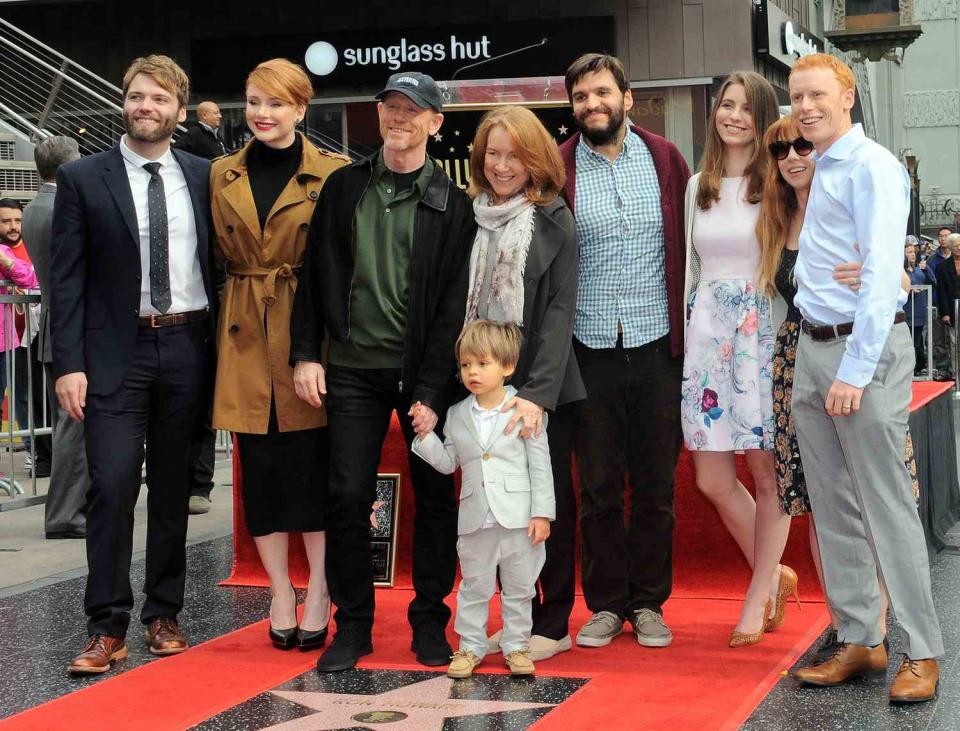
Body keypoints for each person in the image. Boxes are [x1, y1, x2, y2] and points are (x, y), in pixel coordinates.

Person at [290, 71, 475, 672]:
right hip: (350, 369)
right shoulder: (344, 188)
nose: (398, 118)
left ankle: (429, 621)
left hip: (423, 375)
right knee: (345, 494)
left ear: (435, 123)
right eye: (390, 108)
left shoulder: (454, 204)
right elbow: (313, 275)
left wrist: (430, 390)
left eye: (411, 110)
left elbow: (453, 303)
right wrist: (307, 352)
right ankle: (355, 624)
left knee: (435, 496)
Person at [52, 55, 218, 674]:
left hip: (188, 347)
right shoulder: (82, 179)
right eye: (136, 97)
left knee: (175, 488)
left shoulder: (206, 176)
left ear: (179, 108)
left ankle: (164, 613)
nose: (145, 107)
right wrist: (69, 363)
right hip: (113, 353)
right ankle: (106, 626)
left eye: (157, 98)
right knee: (112, 485)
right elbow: (65, 280)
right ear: (124, 103)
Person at [787, 53, 943, 703]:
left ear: (847, 97)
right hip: (815, 348)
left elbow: (882, 275)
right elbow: (852, 259)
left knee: (886, 507)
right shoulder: (826, 165)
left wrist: (854, 369)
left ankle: (924, 649)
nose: (805, 104)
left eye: (818, 93)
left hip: (860, 354)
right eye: (797, 95)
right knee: (834, 507)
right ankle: (861, 636)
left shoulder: (873, 165)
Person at [756, 116, 921, 661]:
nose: (793, 155)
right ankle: (855, 631)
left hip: (861, 353)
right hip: (800, 356)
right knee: (824, 502)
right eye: (781, 148)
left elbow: (896, 281)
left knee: (879, 498)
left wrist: (882, 273)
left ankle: (910, 641)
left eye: (803, 144)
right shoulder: (778, 219)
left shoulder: (855, 188)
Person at [211, 58, 348, 652]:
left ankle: (318, 587)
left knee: (311, 468)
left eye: (275, 103)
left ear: (301, 108)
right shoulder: (219, 174)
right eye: (254, 101)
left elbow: (343, 264)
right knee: (260, 472)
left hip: (306, 333)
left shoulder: (335, 173)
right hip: (242, 332)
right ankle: (278, 591)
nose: (262, 114)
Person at [555, 53, 689, 651]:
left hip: (659, 345)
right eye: (581, 96)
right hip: (588, 349)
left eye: (602, 92)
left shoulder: (665, 160)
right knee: (600, 488)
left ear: (628, 98)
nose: (592, 105)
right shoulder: (557, 165)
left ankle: (650, 603)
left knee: (657, 486)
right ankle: (607, 604)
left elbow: (690, 244)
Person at [458, 105, 582, 663]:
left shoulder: (553, 217)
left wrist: (535, 396)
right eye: (493, 153)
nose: (502, 165)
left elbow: (559, 312)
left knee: (542, 505)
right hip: (480, 384)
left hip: (537, 387)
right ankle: (506, 624)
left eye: (514, 153)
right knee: (491, 508)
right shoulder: (471, 215)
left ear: (534, 158)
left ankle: (551, 623)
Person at [681, 71, 791, 648]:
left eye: (747, 109)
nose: (734, 116)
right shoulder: (698, 183)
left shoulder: (777, 181)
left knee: (767, 472)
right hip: (706, 342)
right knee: (711, 475)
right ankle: (773, 571)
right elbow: (690, 272)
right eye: (726, 105)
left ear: (763, 116)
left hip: (760, 338)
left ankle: (758, 593)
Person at [413, 320, 555, 678]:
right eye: (465, 365)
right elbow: (448, 463)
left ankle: (518, 646)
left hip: (519, 518)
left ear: (507, 367)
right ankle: (470, 647)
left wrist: (542, 514)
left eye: (482, 363)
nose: (472, 372)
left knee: (520, 588)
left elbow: (540, 466)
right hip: (475, 518)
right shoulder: (458, 414)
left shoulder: (525, 408)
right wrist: (426, 436)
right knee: (474, 587)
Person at [21, 137, 89, 538]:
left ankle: (70, 510)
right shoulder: (61, 206)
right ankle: (65, 513)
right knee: (74, 425)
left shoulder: (34, 206)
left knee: (73, 423)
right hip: (68, 328)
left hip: (53, 325)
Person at [0, 198, 51, 476]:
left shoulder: (32, 245)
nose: (13, 226)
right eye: (6, 221)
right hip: (11, 337)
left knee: (42, 394)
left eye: (17, 220)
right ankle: (34, 452)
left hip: (37, 332)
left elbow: (32, 278)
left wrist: (9, 264)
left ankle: (42, 452)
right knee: (20, 396)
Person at [903, 236, 936, 374]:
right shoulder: (901, 272)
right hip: (906, 313)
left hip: (920, 312)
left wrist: (927, 269)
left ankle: (919, 367)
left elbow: (933, 282)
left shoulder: (919, 269)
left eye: (913, 252)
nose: (912, 254)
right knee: (909, 343)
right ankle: (910, 370)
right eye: (909, 252)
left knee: (918, 343)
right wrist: (909, 290)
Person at [928, 227, 953, 379]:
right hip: (937, 302)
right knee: (938, 339)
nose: (943, 239)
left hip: (953, 303)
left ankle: (954, 368)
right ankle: (943, 369)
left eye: (946, 236)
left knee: (954, 338)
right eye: (941, 236)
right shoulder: (932, 260)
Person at [935, 232, 960, 379]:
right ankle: (957, 374)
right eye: (956, 246)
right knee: (954, 343)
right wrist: (945, 313)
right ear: (950, 247)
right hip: (952, 309)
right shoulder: (942, 267)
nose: (958, 248)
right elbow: (941, 291)